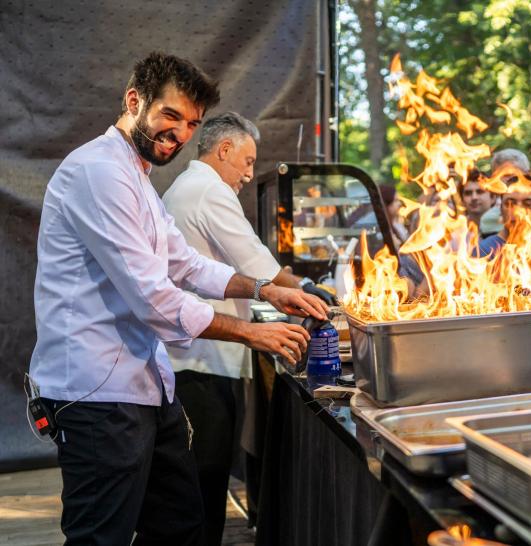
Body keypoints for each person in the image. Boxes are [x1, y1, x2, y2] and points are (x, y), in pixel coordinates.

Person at [28, 53, 329, 545]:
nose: (182, 133)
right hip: (96, 396)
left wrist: (263, 289)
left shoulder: (137, 176)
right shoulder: (98, 172)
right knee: (100, 537)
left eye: (192, 123)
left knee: (182, 525)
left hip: (146, 389)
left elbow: (186, 264)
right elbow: (155, 299)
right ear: (134, 101)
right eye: (171, 116)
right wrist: (253, 332)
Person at [162, 112, 332, 545]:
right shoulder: (208, 190)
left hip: (194, 357)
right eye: (247, 161)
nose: (249, 174)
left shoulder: (187, 187)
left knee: (194, 490)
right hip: (200, 362)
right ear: (223, 150)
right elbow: (260, 268)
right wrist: (317, 290)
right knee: (203, 485)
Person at [458, 168, 496, 235]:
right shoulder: (455, 233)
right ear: (462, 200)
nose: (474, 197)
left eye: (480, 192)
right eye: (468, 193)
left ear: (492, 197)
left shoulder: (504, 230)